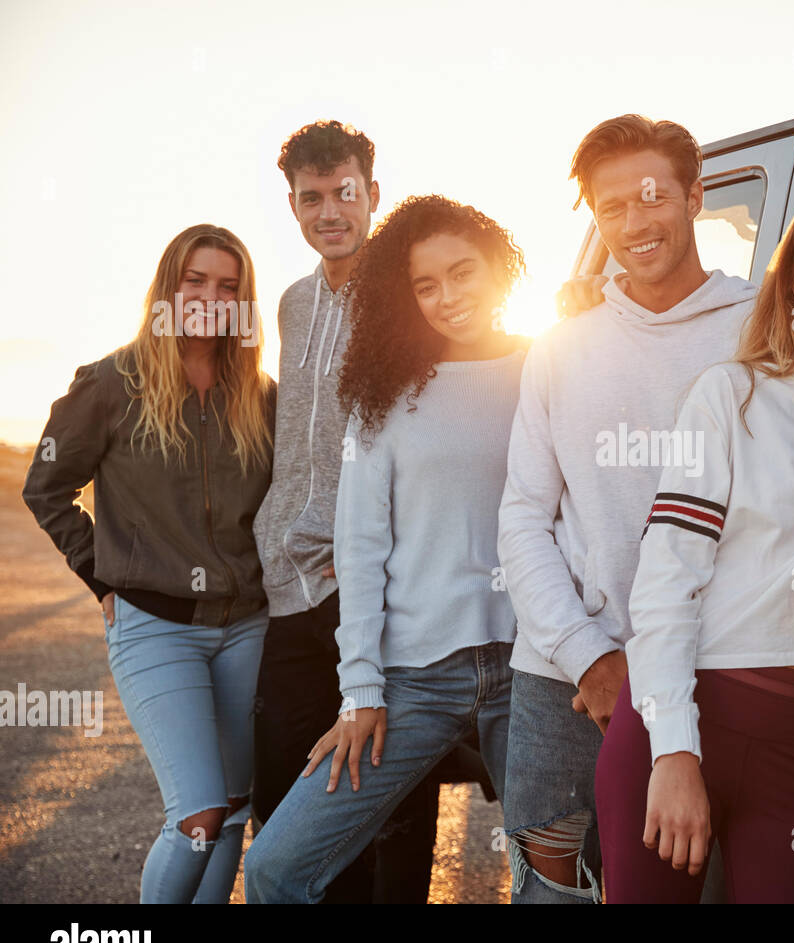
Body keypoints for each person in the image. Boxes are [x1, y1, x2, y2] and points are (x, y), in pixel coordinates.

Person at [594, 181, 794, 902]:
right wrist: (674, 750)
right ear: (793, 276)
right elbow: (666, 580)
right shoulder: (728, 394)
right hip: (682, 711)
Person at [497, 114, 757, 903]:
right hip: (563, 677)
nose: (635, 223)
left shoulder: (762, 327)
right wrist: (590, 656)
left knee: (706, 886)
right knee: (554, 894)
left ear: (695, 196)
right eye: (612, 208)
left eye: (652, 197)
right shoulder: (561, 344)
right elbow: (522, 519)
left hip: (718, 670)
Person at [244, 194, 526, 902]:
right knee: (276, 867)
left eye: (462, 273)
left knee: (558, 875)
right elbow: (360, 549)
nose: (446, 297)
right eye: (424, 285)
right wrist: (362, 689)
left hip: (534, 670)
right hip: (414, 680)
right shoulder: (384, 395)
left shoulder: (550, 370)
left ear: (499, 267)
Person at [23, 224, 275, 903]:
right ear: (169, 287)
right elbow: (45, 486)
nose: (209, 296)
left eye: (227, 286)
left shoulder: (260, 395)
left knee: (230, 812)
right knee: (197, 816)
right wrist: (99, 574)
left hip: (248, 626)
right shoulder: (110, 382)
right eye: (195, 280)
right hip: (155, 626)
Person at [251, 120, 440, 902]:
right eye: (312, 197)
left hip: (368, 589)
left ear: (373, 193)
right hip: (286, 588)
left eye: (344, 192)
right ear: (293, 205)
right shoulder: (293, 303)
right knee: (284, 799)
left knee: (384, 805)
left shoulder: (409, 300)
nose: (330, 210)